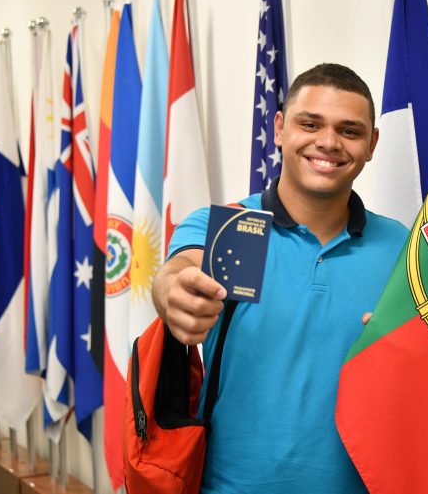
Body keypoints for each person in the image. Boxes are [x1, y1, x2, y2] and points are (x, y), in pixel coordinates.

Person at [152, 63, 408, 494]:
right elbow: (179, 271)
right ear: (279, 128)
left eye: (349, 130)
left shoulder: (401, 246)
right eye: (310, 124)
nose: (328, 142)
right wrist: (175, 292)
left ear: (372, 144)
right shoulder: (236, 228)